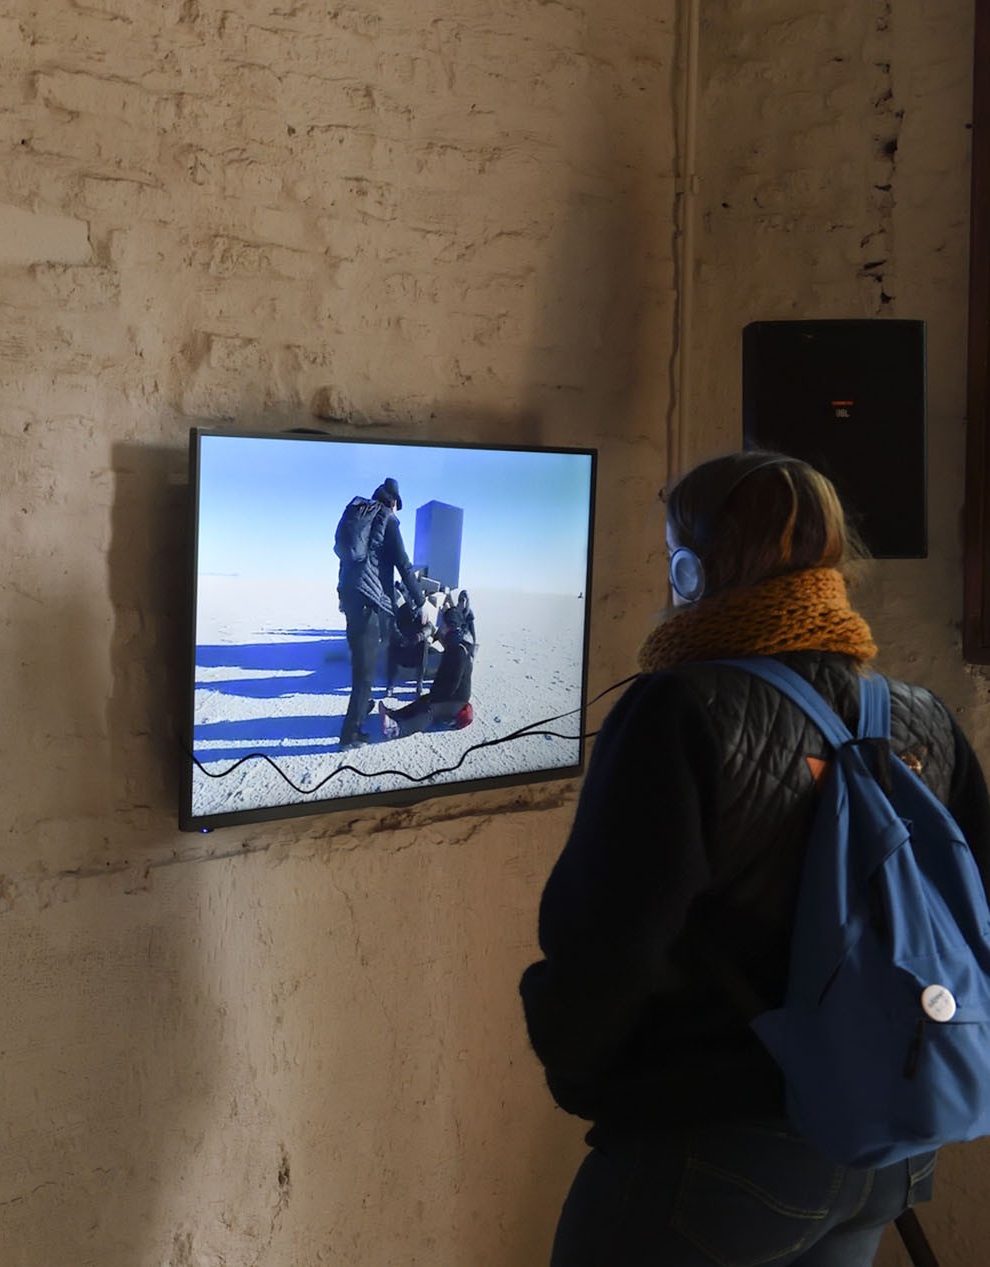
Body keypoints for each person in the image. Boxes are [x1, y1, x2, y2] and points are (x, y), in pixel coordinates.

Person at [519, 450, 990, 1265]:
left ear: (693, 571)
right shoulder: (924, 717)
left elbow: (609, 947)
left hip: (714, 1149)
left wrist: (584, 1077)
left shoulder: (679, 709)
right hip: (882, 1143)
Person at [333, 476, 418, 747]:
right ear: (393, 503)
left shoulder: (361, 519)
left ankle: (361, 707)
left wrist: (342, 594)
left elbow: (345, 562)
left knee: (361, 661)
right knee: (366, 671)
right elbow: (404, 565)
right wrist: (419, 601)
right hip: (368, 602)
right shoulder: (387, 520)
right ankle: (350, 734)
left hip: (351, 596)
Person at [382, 592, 475, 738]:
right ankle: (394, 714)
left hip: (457, 699)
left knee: (430, 708)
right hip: (453, 695)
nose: (441, 626)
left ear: (449, 626)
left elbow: (453, 683)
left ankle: (398, 729)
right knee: (423, 700)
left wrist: (436, 697)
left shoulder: (458, 650)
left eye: (443, 623)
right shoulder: (454, 644)